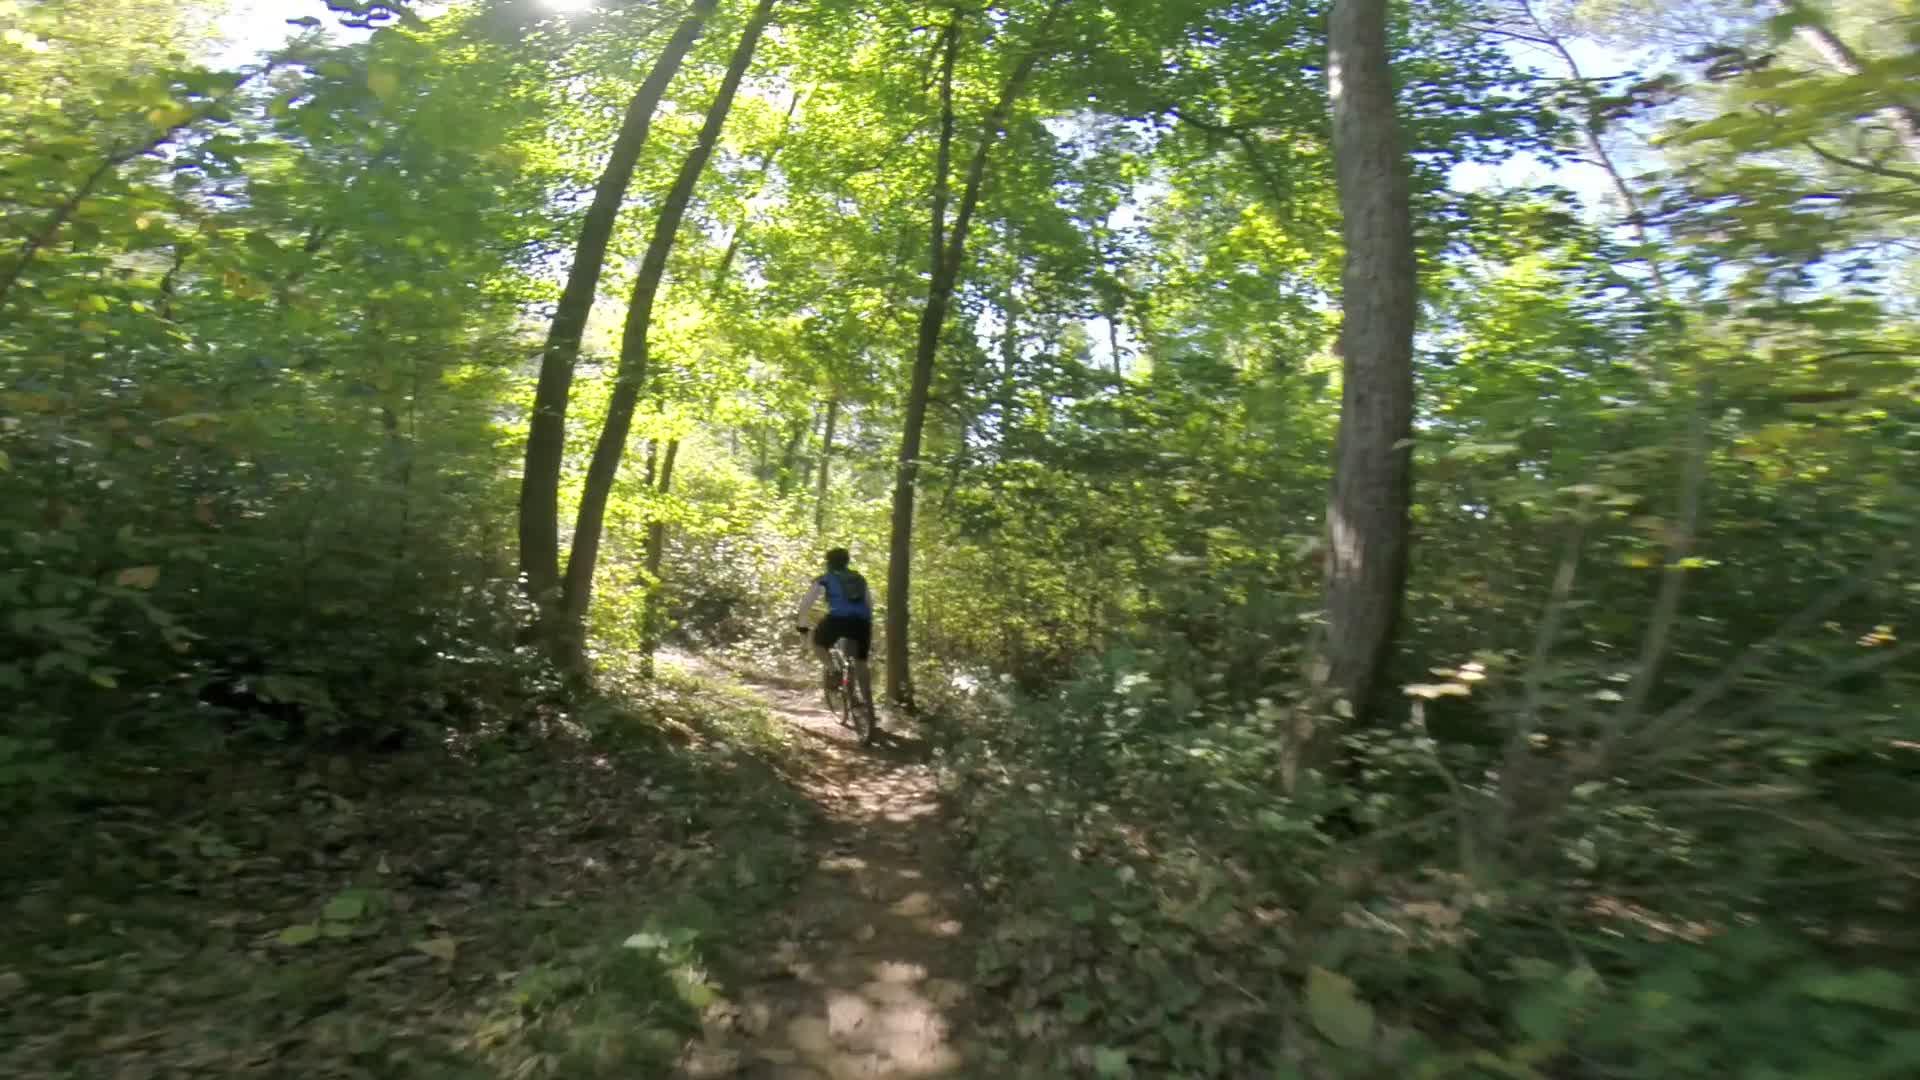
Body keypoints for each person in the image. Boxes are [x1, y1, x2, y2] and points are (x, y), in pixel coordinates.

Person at [792, 547, 875, 718]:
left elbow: (805, 605)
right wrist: (865, 623)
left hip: (837, 620)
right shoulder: (859, 578)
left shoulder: (825, 579)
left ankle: (833, 671)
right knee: (860, 662)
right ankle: (869, 707)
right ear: (847, 562)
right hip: (862, 623)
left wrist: (802, 626)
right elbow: (869, 604)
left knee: (817, 642)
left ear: (828, 562)